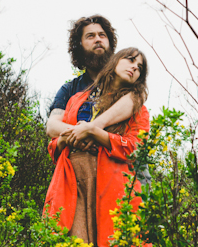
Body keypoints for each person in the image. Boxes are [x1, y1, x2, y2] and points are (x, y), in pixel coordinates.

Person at [43, 48, 149, 247]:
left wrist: (95, 134)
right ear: (115, 62)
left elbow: (133, 147)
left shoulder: (137, 106)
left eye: (140, 67)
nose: (134, 67)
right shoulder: (77, 98)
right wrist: (72, 136)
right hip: (73, 188)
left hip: (114, 195)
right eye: (130, 60)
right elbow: (53, 144)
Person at [46, 15, 136, 148]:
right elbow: (52, 127)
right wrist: (81, 133)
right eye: (90, 36)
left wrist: (91, 130)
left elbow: (138, 97)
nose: (98, 39)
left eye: (102, 35)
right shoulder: (70, 89)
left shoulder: (126, 81)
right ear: (80, 45)